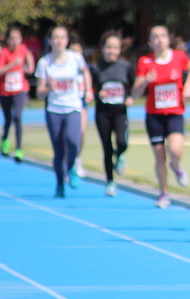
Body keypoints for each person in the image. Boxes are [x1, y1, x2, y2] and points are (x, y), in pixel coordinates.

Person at [131, 25, 190, 209]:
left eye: (162, 36)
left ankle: (176, 167)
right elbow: (135, 92)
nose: (159, 40)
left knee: (175, 151)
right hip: (154, 116)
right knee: (160, 158)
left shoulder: (179, 56)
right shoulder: (145, 62)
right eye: (155, 37)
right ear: (150, 42)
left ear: (168, 39)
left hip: (175, 113)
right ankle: (164, 193)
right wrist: (145, 81)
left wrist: (189, 86)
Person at [35, 26, 93, 198]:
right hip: (54, 109)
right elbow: (39, 93)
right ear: (50, 41)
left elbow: (86, 72)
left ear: (67, 40)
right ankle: (60, 183)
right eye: (56, 37)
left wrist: (88, 89)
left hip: (73, 107)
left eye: (62, 37)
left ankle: (72, 166)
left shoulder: (75, 58)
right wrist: (48, 88)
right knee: (59, 150)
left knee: (73, 141)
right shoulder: (45, 62)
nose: (59, 41)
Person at [90, 32, 135, 197]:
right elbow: (89, 91)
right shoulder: (95, 68)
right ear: (102, 48)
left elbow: (134, 84)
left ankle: (120, 154)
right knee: (106, 148)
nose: (112, 51)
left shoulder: (126, 66)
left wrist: (130, 97)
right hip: (102, 113)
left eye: (115, 48)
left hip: (120, 111)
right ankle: (110, 182)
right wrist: (97, 95)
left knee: (122, 142)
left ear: (120, 49)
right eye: (108, 47)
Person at [0, 25, 35, 163]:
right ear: (7, 40)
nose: (14, 41)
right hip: (4, 90)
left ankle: (19, 149)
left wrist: (31, 66)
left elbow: (28, 54)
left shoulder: (22, 48)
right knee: (8, 119)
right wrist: (12, 64)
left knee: (18, 117)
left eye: (17, 38)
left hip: (19, 89)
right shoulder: (3, 53)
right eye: (11, 39)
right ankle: (4, 138)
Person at [69, 37, 89, 178]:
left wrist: (89, 91)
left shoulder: (84, 67)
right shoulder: (65, 65)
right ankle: (67, 162)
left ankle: (77, 159)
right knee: (68, 136)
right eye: (73, 50)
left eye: (78, 50)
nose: (76, 53)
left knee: (81, 132)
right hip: (67, 103)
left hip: (81, 102)